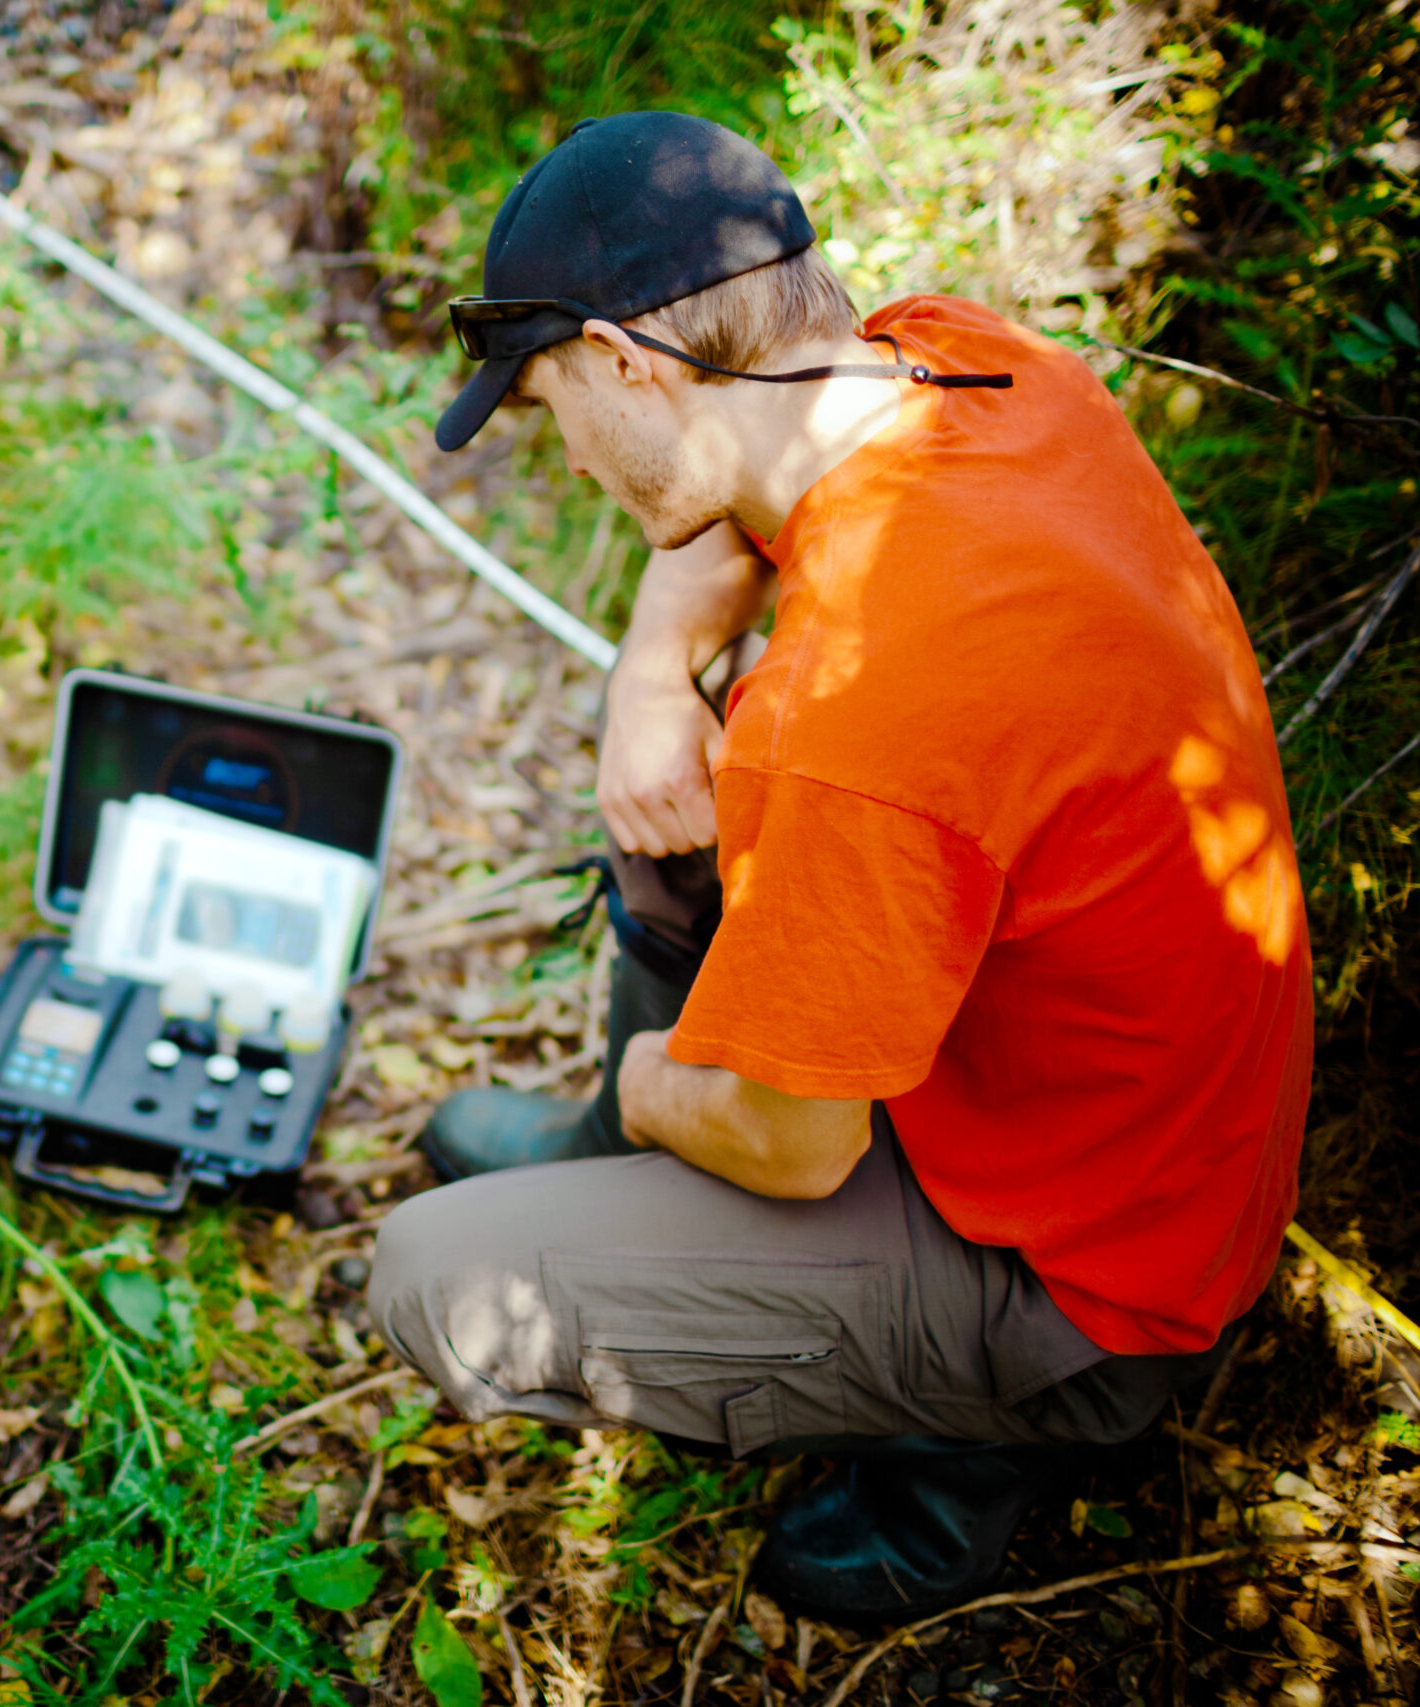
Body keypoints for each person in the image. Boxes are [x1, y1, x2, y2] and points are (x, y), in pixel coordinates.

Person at [367, 112, 1312, 1619]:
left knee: (429, 1273)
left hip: (1084, 1279)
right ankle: (639, 1166)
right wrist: (648, 681)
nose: (563, 445)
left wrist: (656, 1088)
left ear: (627, 363)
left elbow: (796, 1143)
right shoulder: (966, 360)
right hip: (1136, 1131)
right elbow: (733, 503)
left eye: (550, 402)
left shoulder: (856, 718)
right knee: (681, 809)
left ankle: (957, 1442)